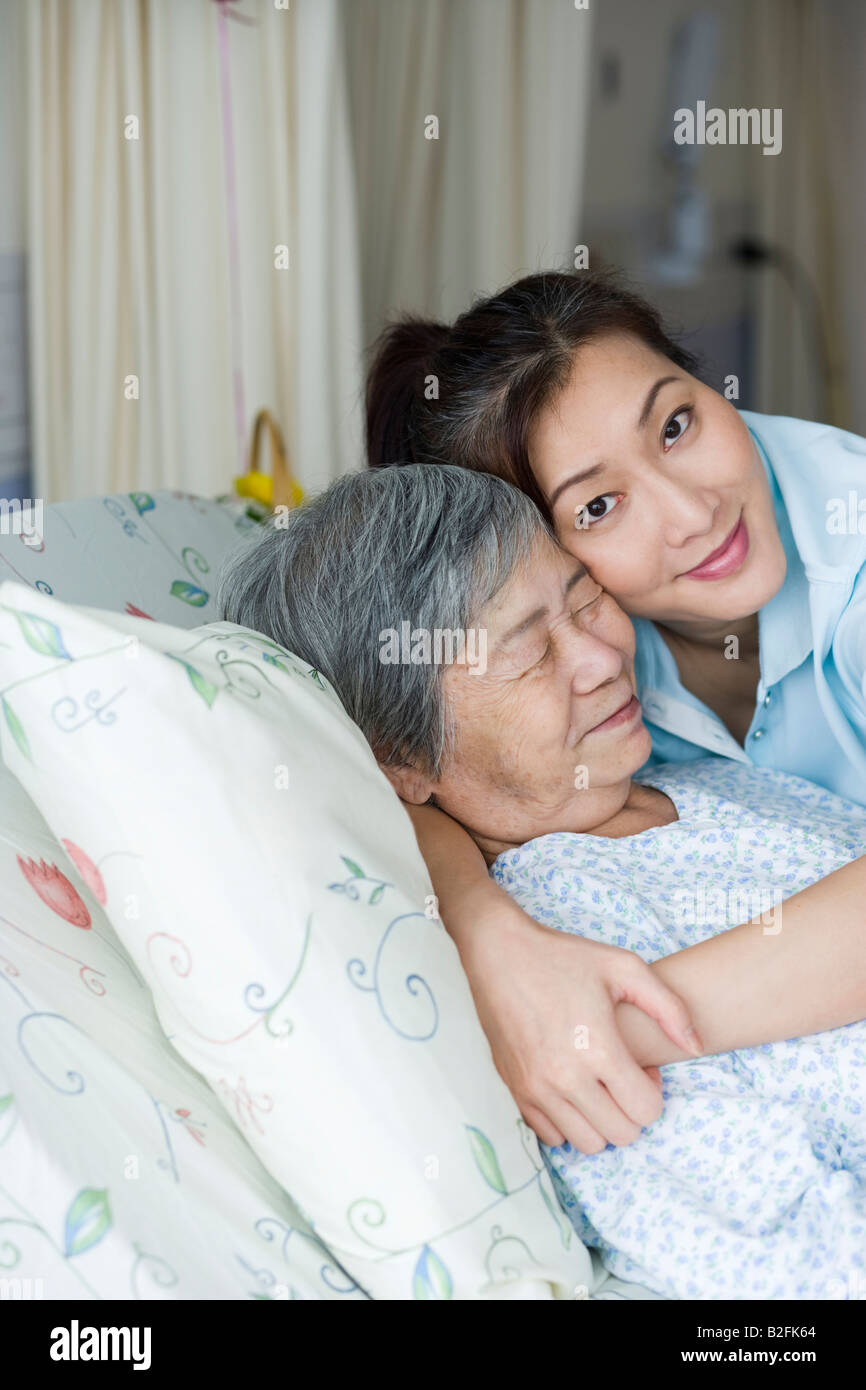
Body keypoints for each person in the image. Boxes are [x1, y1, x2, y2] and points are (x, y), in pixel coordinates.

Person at [217, 464, 866, 1299]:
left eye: (586, 596)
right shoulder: (558, 982)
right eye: (527, 650)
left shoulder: (696, 770)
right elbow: (803, 1264)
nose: (601, 655)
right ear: (401, 758)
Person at [363, 268, 866, 1154]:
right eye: (598, 505)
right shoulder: (584, 663)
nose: (692, 512)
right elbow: (406, 780)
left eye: (677, 424)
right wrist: (488, 938)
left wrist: (594, 1032)